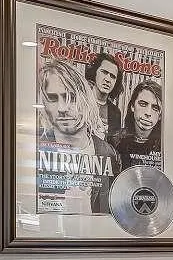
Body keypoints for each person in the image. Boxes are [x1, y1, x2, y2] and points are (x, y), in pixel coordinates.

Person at [35, 59, 120, 214]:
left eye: (71, 97)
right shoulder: (37, 152)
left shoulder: (108, 154)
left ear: (85, 98)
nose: (62, 108)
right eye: (53, 98)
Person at [111, 81, 164, 170]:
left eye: (155, 108)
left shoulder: (165, 147)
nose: (148, 113)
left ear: (160, 116)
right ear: (132, 106)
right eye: (143, 104)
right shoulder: (114, 141)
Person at [84, 52, 123, 138]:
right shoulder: (81, 101)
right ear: (95, 73)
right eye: (104, 72)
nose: (108, 79)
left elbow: (113, 143)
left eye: (112, 76)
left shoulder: (115, 113)